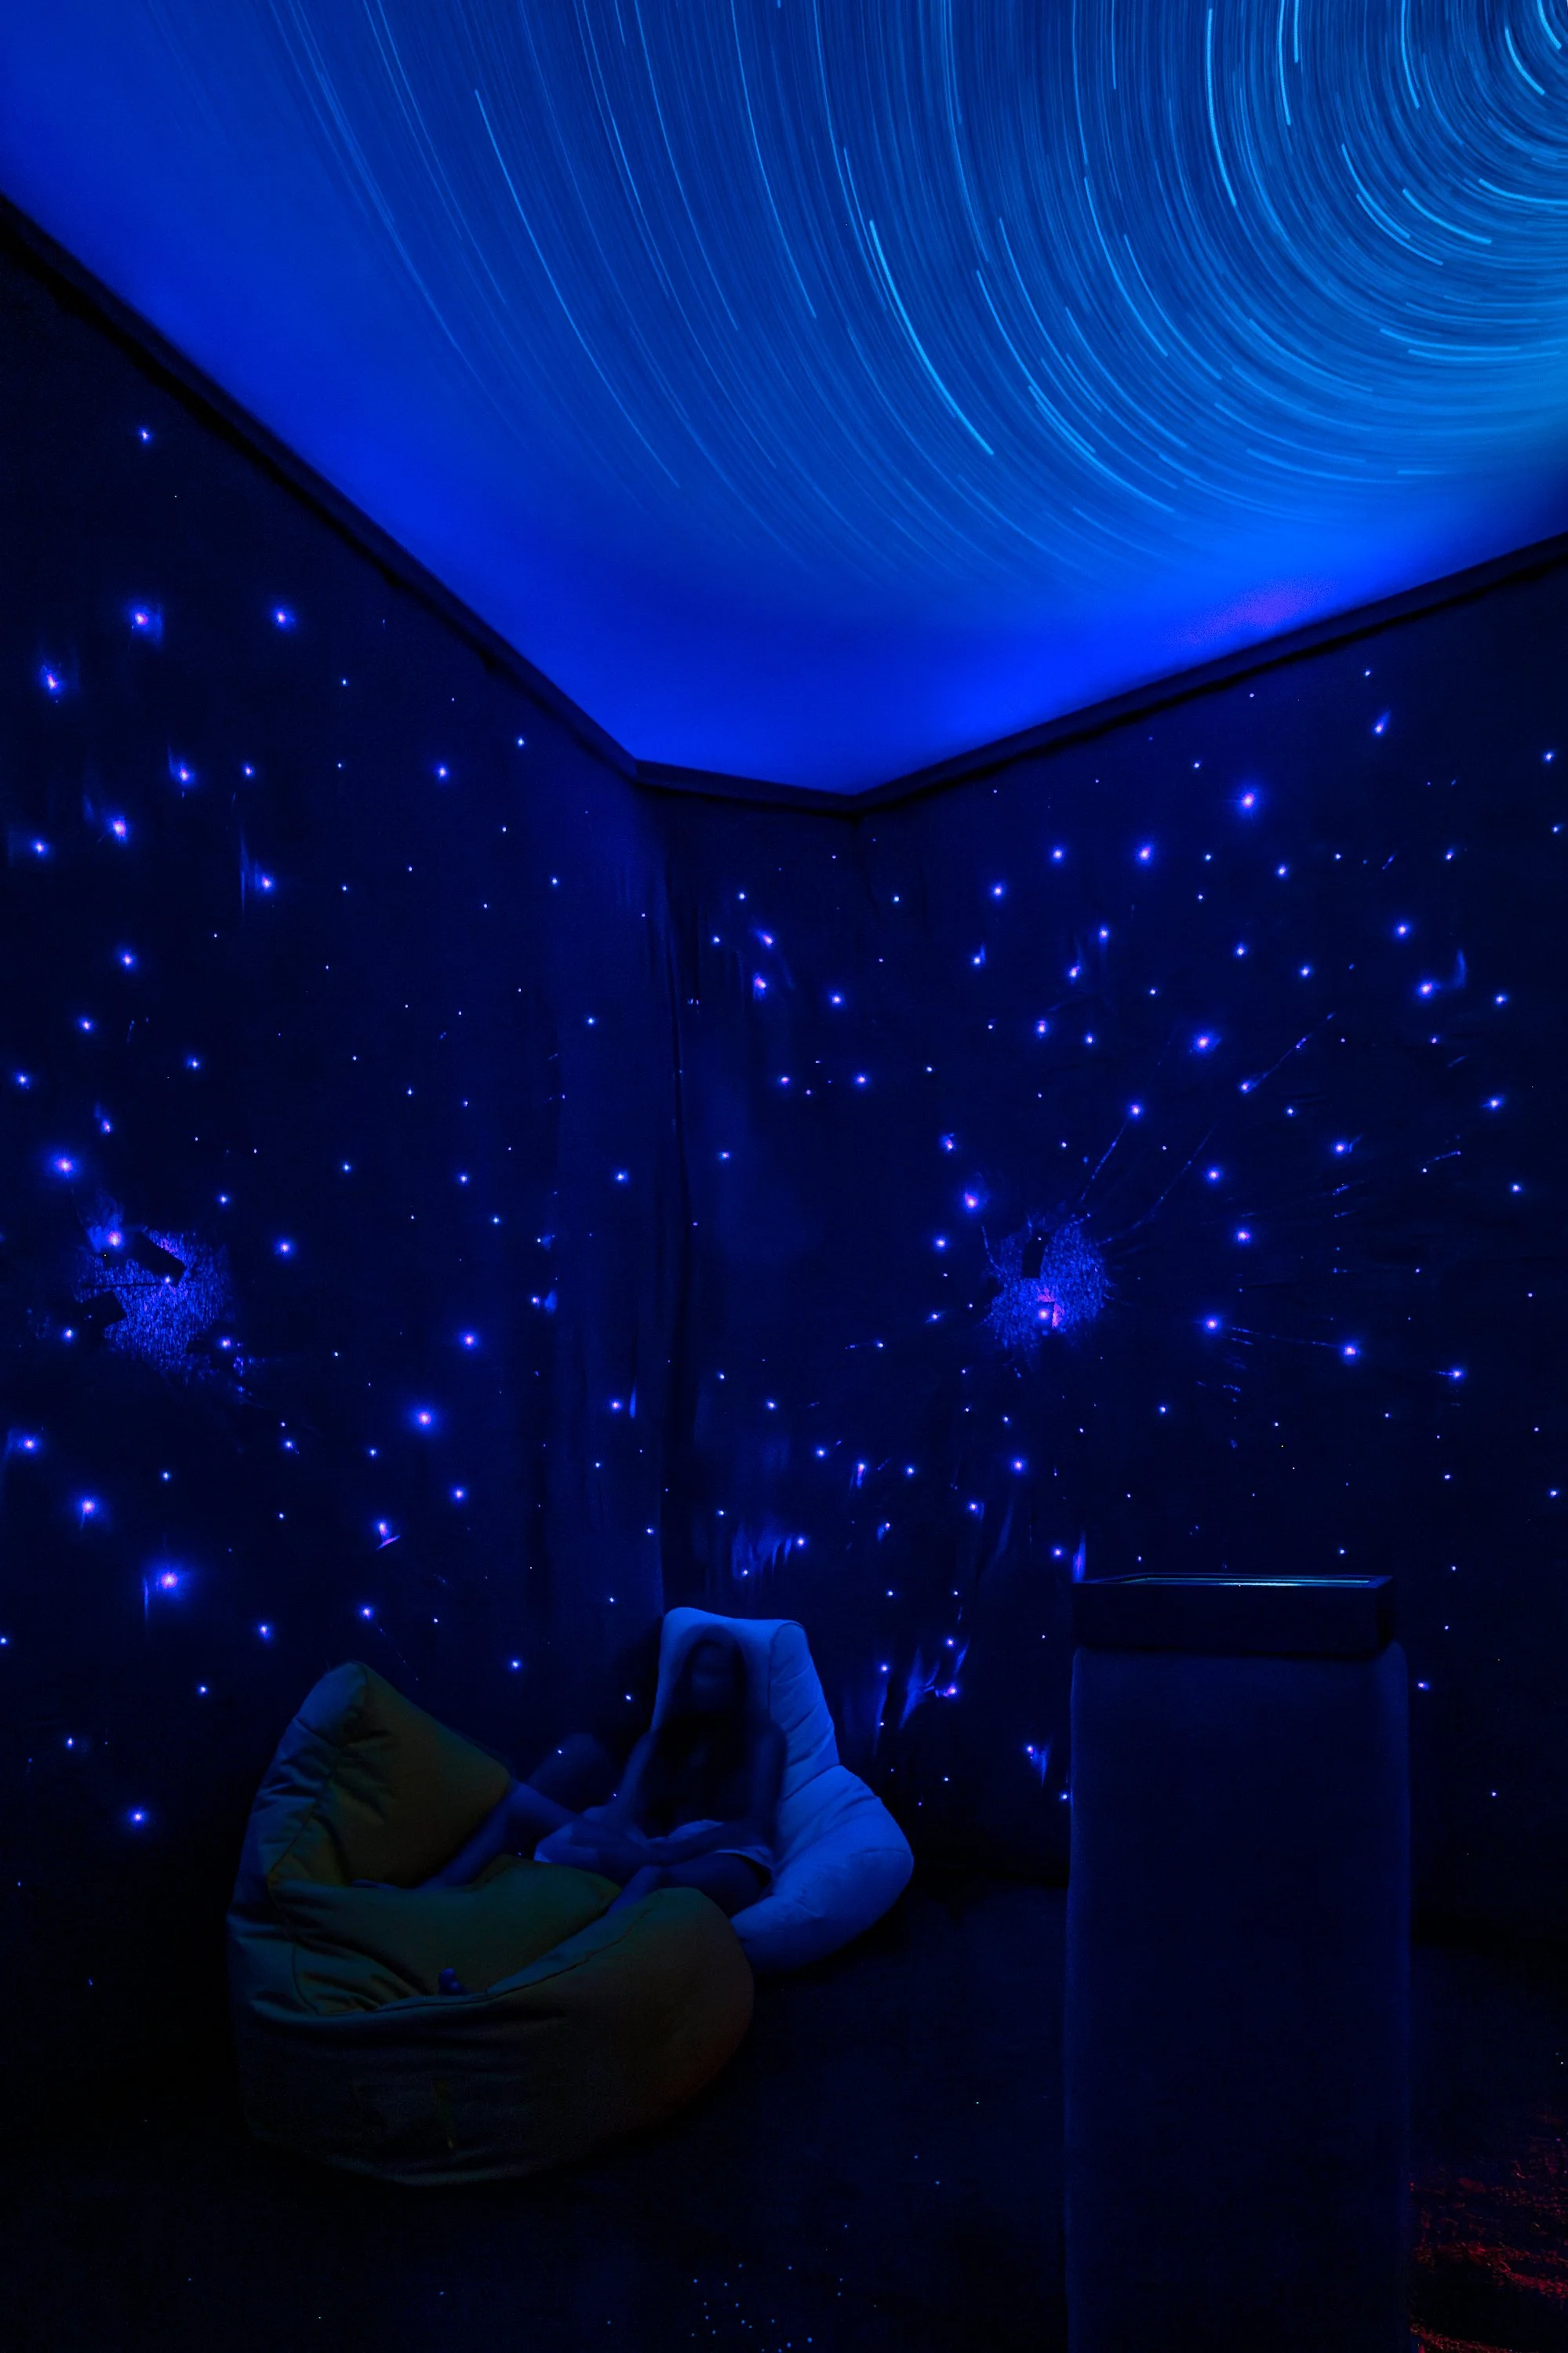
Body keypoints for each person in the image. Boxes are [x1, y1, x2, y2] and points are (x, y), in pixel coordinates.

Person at [415, 1631, 785, 1922]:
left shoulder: (761, 1737)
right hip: (649, 1844)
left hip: (719, 1851)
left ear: (737, 1681)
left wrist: (670, 1853)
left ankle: (577, 1966)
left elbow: (757, 1824)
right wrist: (617, 1842)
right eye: (696, 1672)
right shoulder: (661, 1738)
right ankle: (438, 1889)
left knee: (651, 1876)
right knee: (519, 1798)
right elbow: (619, 1814)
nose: (703, 1683)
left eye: (715, 1673)